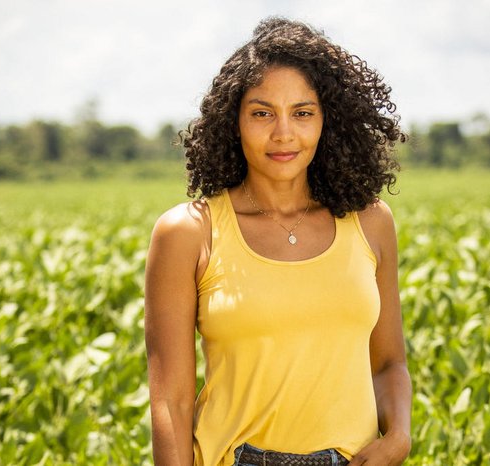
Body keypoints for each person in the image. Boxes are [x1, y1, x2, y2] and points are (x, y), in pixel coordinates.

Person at [145, 17, 411, 466]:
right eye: (262, 113)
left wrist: (399, 435)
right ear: (234, 122)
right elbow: (170, 401)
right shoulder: (188, 233)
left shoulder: (370, 222)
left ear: (329, 121)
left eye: (303, 113)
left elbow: (387, 364)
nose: (284, 132)